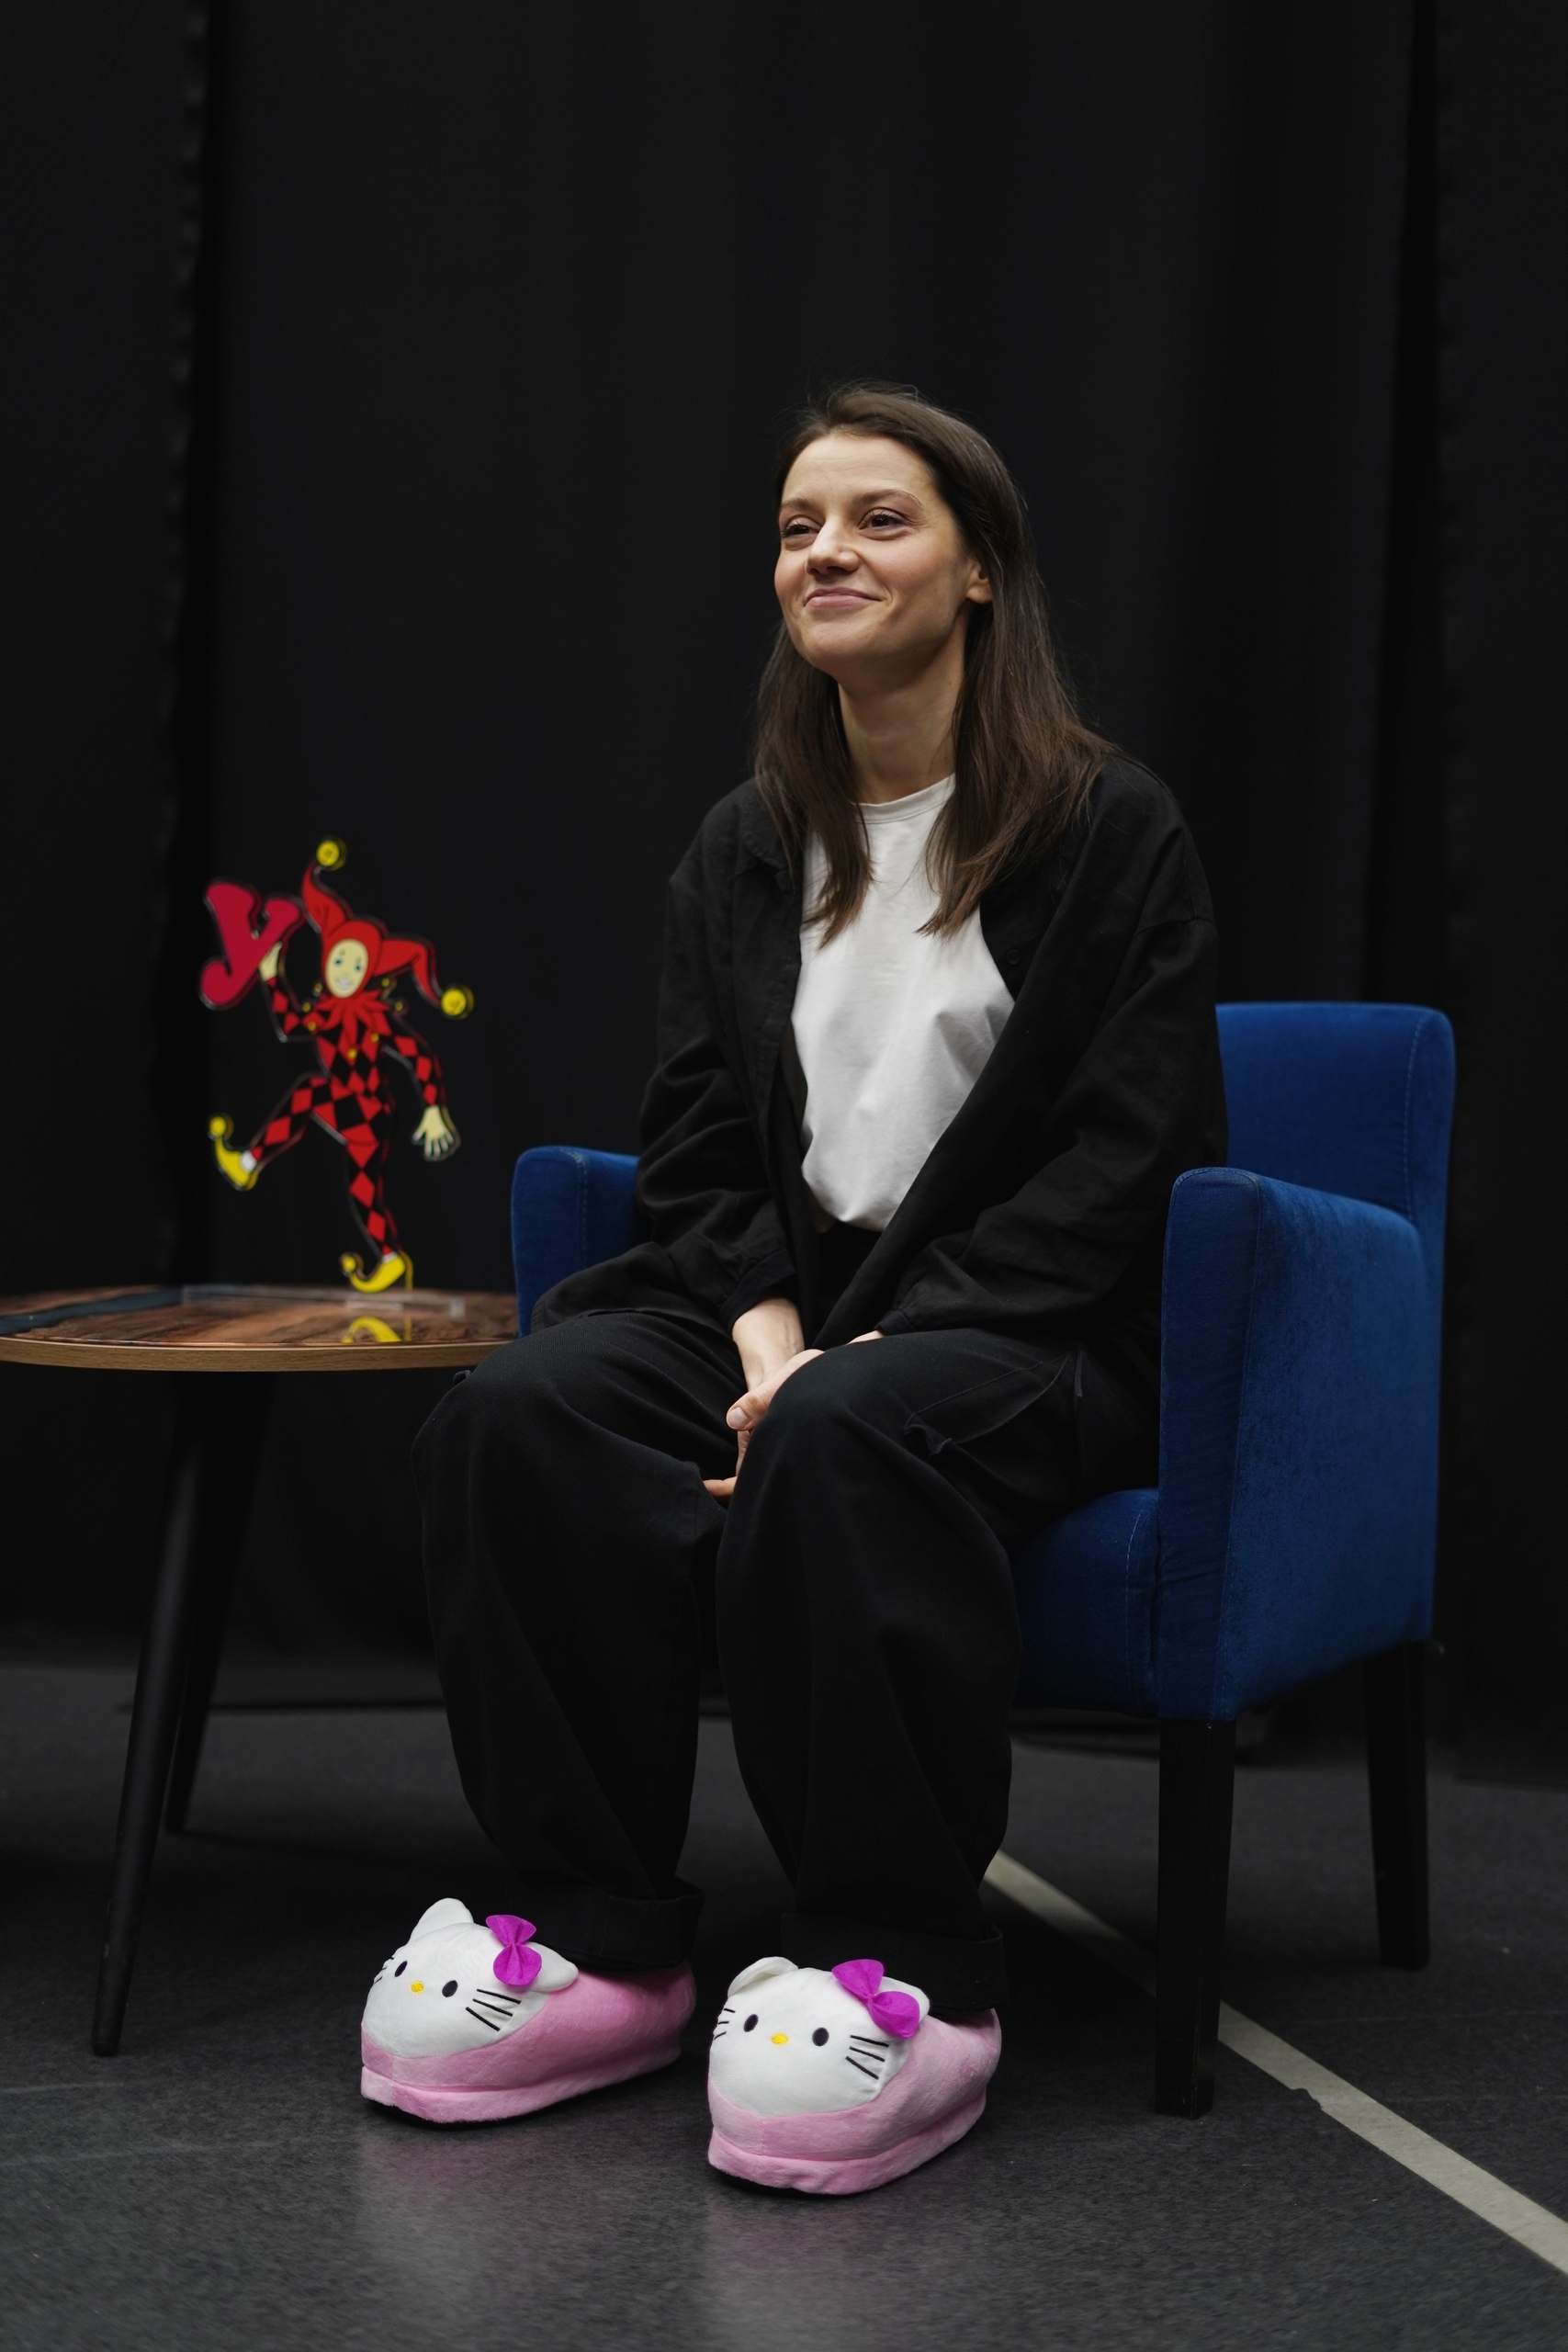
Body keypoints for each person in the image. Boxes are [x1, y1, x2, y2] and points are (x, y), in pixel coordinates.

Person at [358, 386, 1225, 2192]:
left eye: (878, 518)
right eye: (795, 525)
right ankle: (592, 1939)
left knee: (851, 1426)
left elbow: (1123, 1157)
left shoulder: (1107, 827)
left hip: (1033, 1328)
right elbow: (693, 1152)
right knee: (518, 1413)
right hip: (790, 1312)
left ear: (977, 570)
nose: (825, 550)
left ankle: (900, 1969)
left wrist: (861, 1354)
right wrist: (772, 1339)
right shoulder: (744, 844)